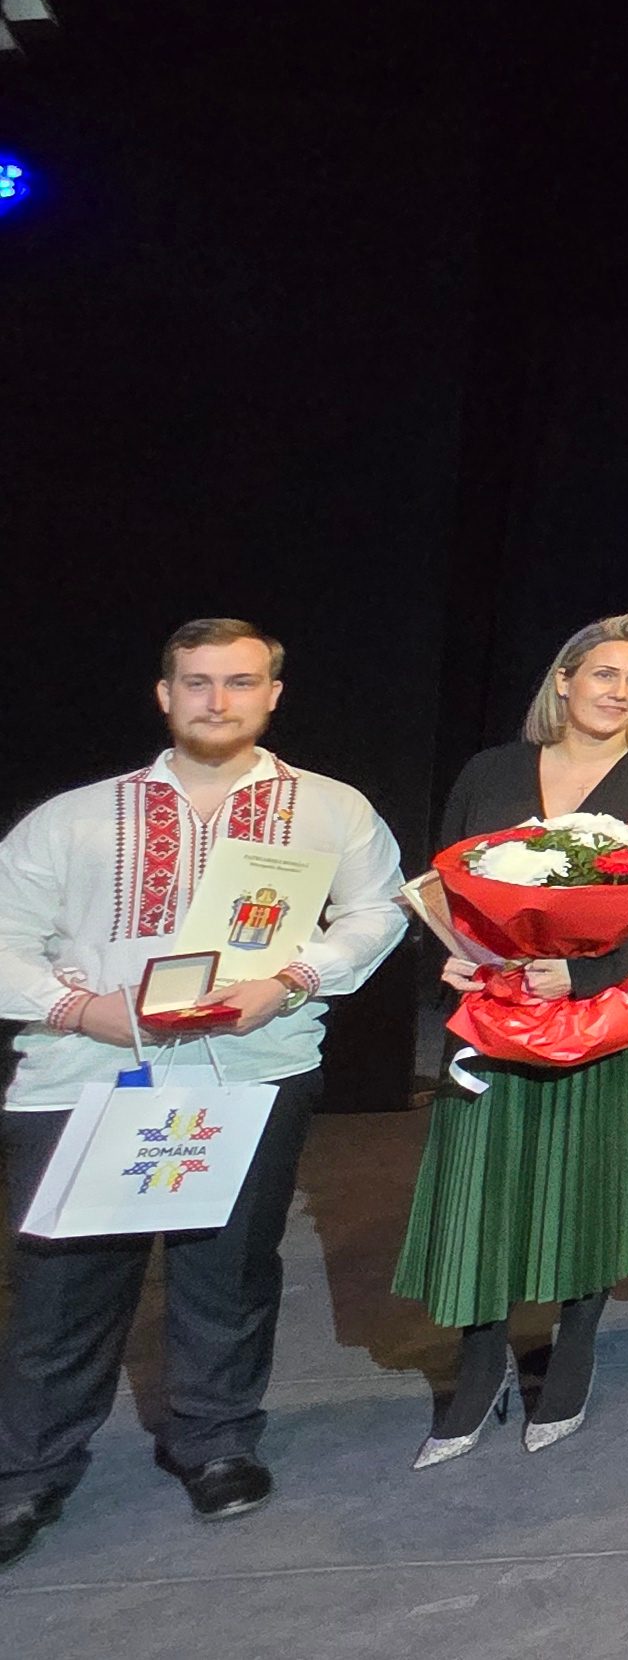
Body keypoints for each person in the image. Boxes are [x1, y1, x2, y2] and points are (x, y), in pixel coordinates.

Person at [0, 621, 407, 1564]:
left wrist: (291, 980)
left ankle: (216, 1441)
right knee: (65, 1286)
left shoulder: (329, 808)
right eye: (197, 682)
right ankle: (28, 1472)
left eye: (240, 681)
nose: (217, 701)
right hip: (89, 1075)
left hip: (249, 1068)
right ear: (164, 695)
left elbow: (378, 911)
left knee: (228, 1271)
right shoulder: (76, 817)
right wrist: (75, 1008)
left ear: (273, 694)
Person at [395, 613, 628, 1464]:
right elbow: (449, 882)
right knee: (482, 1174)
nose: (622, 692)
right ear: (564, 680)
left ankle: (574, 1350)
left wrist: (587, 973)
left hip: (609, 997)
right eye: (606, 674)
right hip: (498, 997)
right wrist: (454, 958)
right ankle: (479, 1362)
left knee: (592, 1169)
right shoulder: (492, 770)